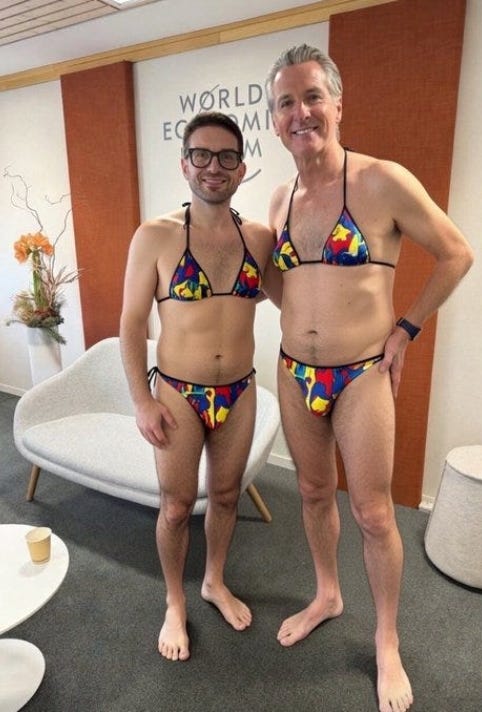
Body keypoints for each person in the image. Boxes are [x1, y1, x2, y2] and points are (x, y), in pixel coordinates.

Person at [264, 44, 473, 712]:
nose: (300, 113)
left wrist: (405, 328)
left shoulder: (382, 180)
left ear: (337, 104)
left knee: (374, 513)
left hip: (361, 375)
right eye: (286, 103)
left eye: (312, 97)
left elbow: (456, 253)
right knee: (312, 492)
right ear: (274, 120)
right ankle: (327, 593)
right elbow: (279, 282)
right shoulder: (280, 197)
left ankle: (386, 640)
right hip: (293, 371)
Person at [119, 111, 274, 662]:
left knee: (227, 496)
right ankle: (174, 601)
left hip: (240, 390)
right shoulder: (155, 236)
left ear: (241, 168)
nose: (214, 167)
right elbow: (131, 324)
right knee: (177, 506)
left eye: (227, 157)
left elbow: (296, 295)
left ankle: (213, 581)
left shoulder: (259, 238)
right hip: (178, 393)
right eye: (201, 155)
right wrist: (142, 401)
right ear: (185, 164)